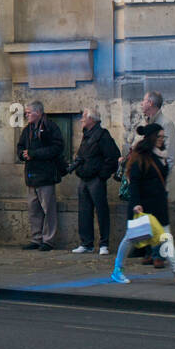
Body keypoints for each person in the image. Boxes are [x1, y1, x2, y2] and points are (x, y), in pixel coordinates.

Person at [71, 107, 120, 255]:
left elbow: (113, 157)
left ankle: (104, 243)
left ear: (92, 119)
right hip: (84, 179)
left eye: (84, 117)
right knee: (84, 212)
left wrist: (101, 175)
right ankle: (86, 243)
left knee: (101, 211)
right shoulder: (87, 135)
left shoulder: (102, 135)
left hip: (96, 180)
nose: (81, 120)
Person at [16, 100, 64, 251]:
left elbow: (57, 147)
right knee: (33, 209)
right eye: (26, 113)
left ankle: (48, 239)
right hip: (31, 175)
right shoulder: (27, 130)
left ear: (38, 113)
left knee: (48, 209)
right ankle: (36, 238)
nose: (27, 115)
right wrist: (22, 155)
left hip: (46, 175)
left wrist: (34, 154)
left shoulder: (51, 127)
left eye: (29, 112)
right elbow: (20, 146)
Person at [111, 205, 175, 285]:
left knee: (166, 239)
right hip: (143, 209)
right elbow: (134, 188)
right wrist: (136, 203)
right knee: (130, 238)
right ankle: (118, 270)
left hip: (159, 209)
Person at [126, 122, 170, 267]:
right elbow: (135, 181)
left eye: (163, 137)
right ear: (152, 137)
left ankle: (155, 255)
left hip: (159, 198)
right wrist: (137, 202)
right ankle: (152, 254)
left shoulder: (162, 155)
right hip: (146, 198)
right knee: (150, 229)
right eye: (159, 136)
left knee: (161, 229)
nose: (162, 139)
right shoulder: (142, 155)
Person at [122, 90, 175, 176]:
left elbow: (170, 155)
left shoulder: (166, 124)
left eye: (144, 100)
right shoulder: (145, 122)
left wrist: (159, 178)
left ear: (150, 103)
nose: (141, 103)